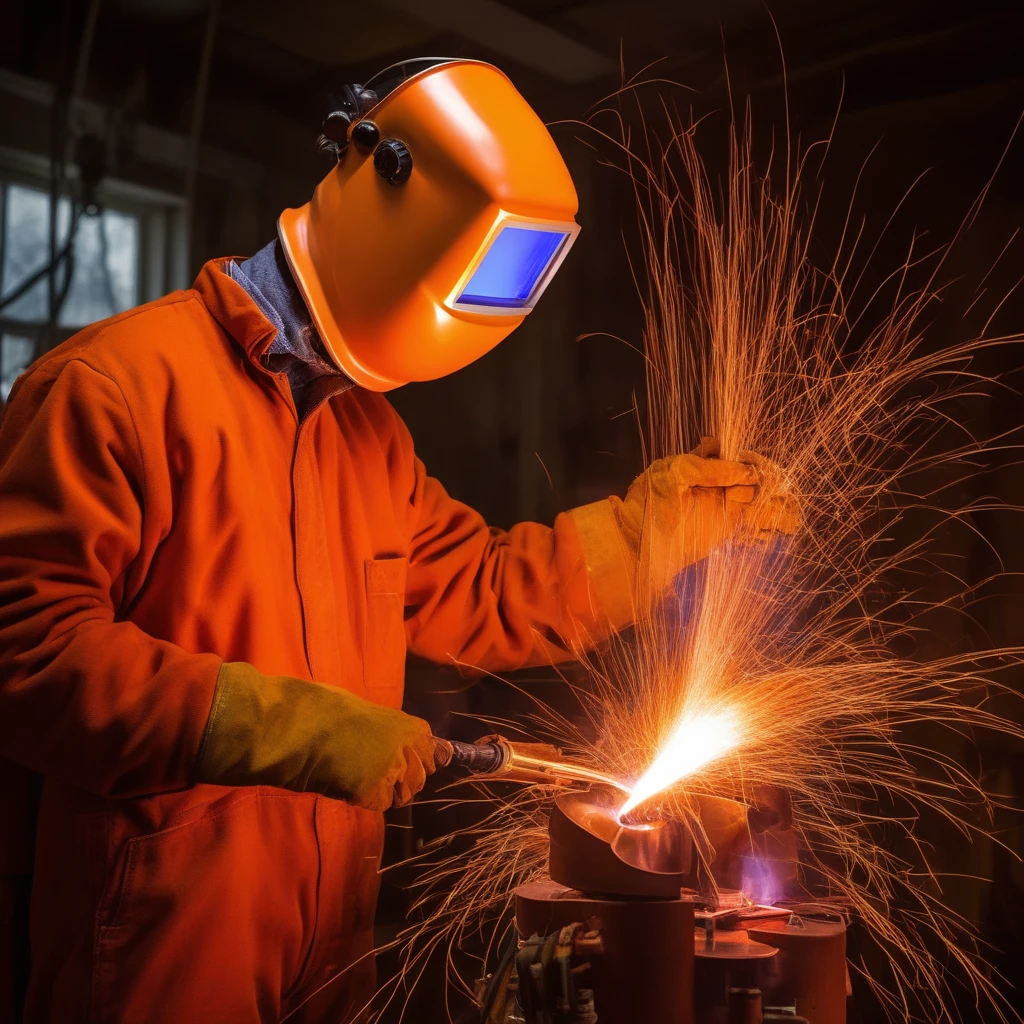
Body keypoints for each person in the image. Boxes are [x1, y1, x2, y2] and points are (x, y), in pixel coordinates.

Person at [0, 58, 796, 1023]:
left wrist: (655, 529)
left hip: (332, 934)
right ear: (372, 166)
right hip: (161, 938)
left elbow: (485, 591)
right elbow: (29, 655)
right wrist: (281, 726)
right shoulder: (114, 388)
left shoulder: (366, 435)